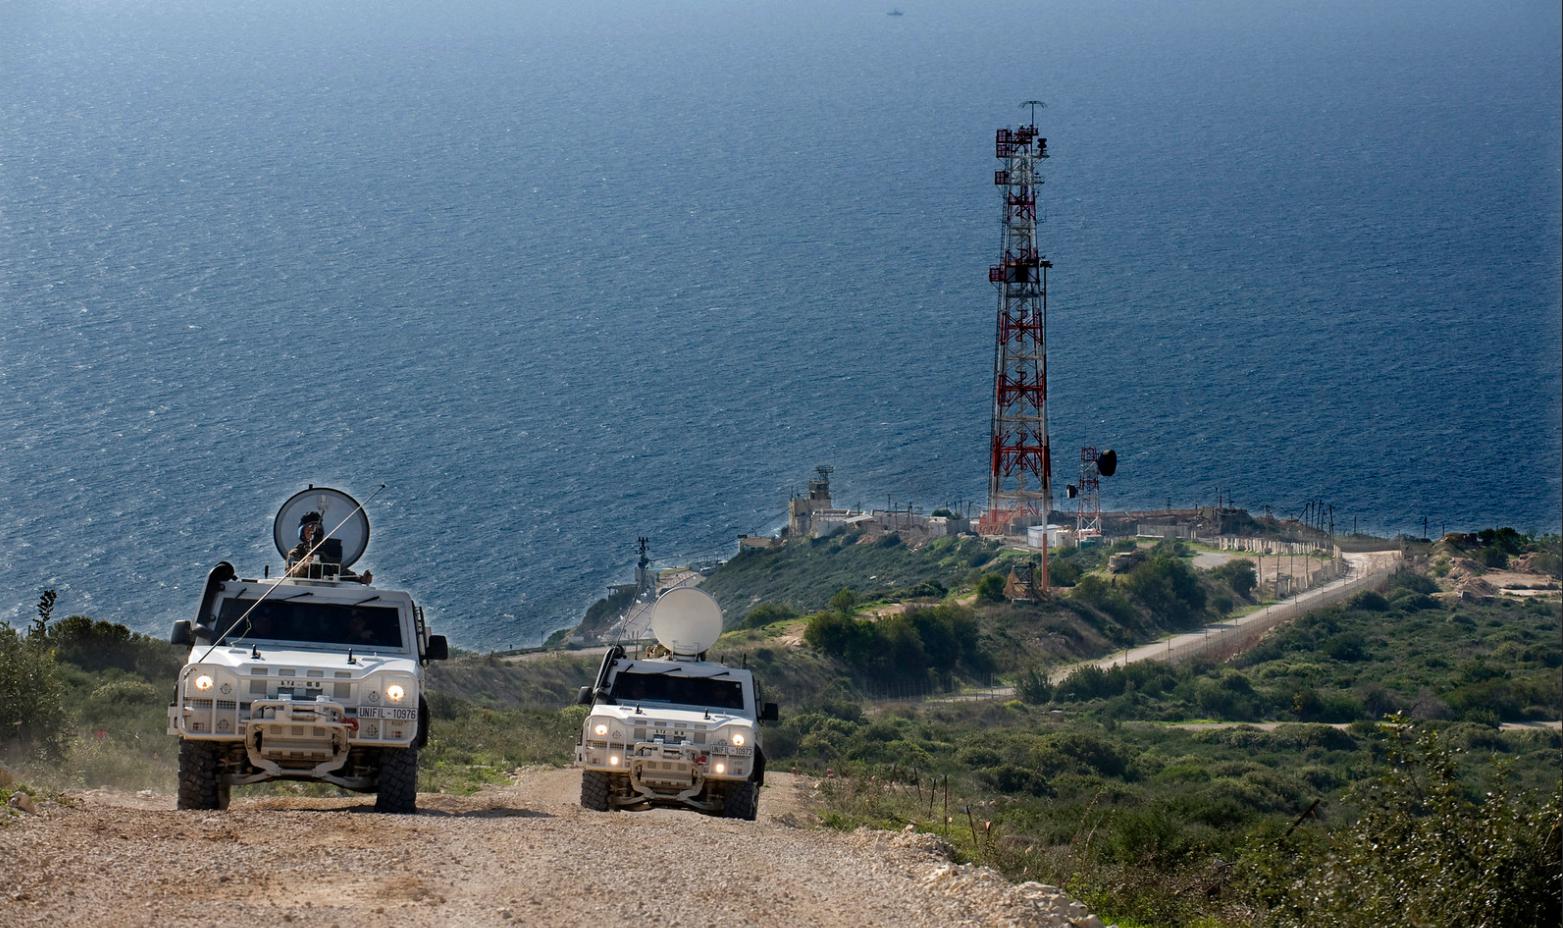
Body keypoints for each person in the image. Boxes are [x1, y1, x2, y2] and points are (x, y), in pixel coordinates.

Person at [286, 511, 372, 584]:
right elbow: (290, 574)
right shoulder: (296, 552)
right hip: (303, 589)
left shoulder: (327, 549)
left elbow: (339, 570)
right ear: (302, 532)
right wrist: (305, 564)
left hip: (327, 590)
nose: (312, 529)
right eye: (309, 527)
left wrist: (361, 579)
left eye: (316, 527)